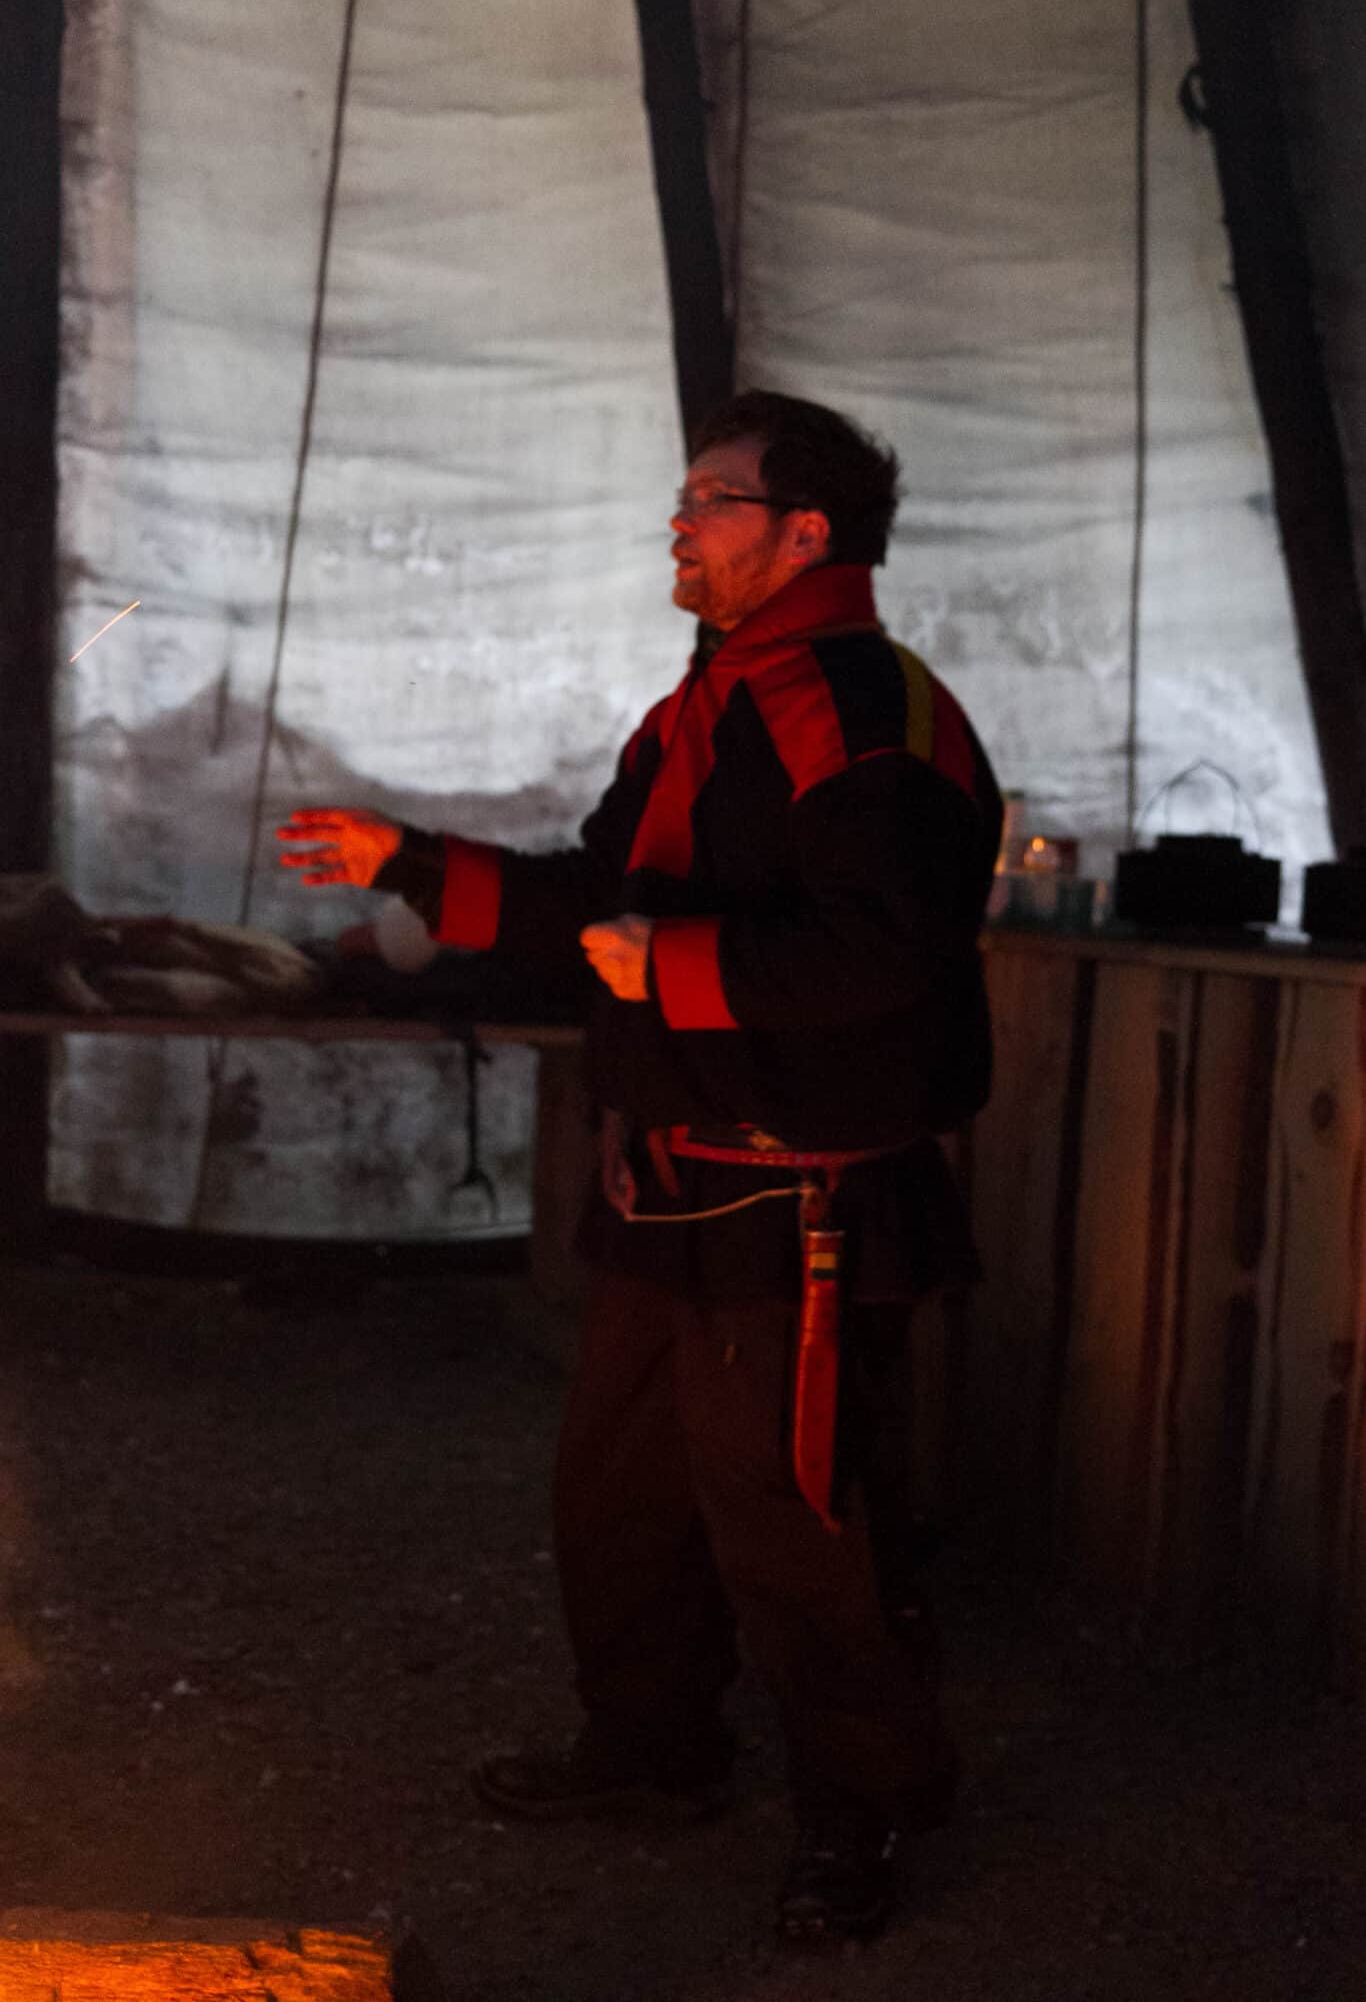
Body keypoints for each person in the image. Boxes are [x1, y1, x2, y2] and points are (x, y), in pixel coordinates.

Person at [278, 391, 1003, 1947]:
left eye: (710, 499)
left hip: (798, 1195)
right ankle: (652, 1749)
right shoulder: (704, 707)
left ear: (803, 534)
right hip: (669, 1183)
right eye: (684, 497)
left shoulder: (864, 714)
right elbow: (599, 895)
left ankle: (860, 1807)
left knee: (796, 1519)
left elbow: (884, 951)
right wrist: (412, 863)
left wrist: (670, 964)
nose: (678, 522)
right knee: (620, 1493)